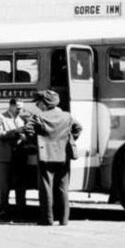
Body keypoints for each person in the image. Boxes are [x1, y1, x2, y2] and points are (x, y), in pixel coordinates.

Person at [24, 90, 82, 226]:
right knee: (62, 188)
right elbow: (78, 128)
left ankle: (47, 219)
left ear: (45, 103)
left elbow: (28, 130)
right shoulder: (67, 116)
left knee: (46, 188)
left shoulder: (39, 117)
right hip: (63, 156)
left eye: (38, 103)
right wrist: (68, 140)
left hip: (46, 156)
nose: (37, 105)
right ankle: (63, 220)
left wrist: (38, 141)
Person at [0, 98, 28, 220]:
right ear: (11, 106)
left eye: (21, 108)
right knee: (4, 186)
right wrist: (15, 131)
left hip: (20, 156)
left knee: (20, 186)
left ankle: (21, 211)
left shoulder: (22, 119)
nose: (20, 110)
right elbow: (0, 135)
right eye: (18, 108)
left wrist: (25, 137)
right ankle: (3, 211)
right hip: (5, 156)